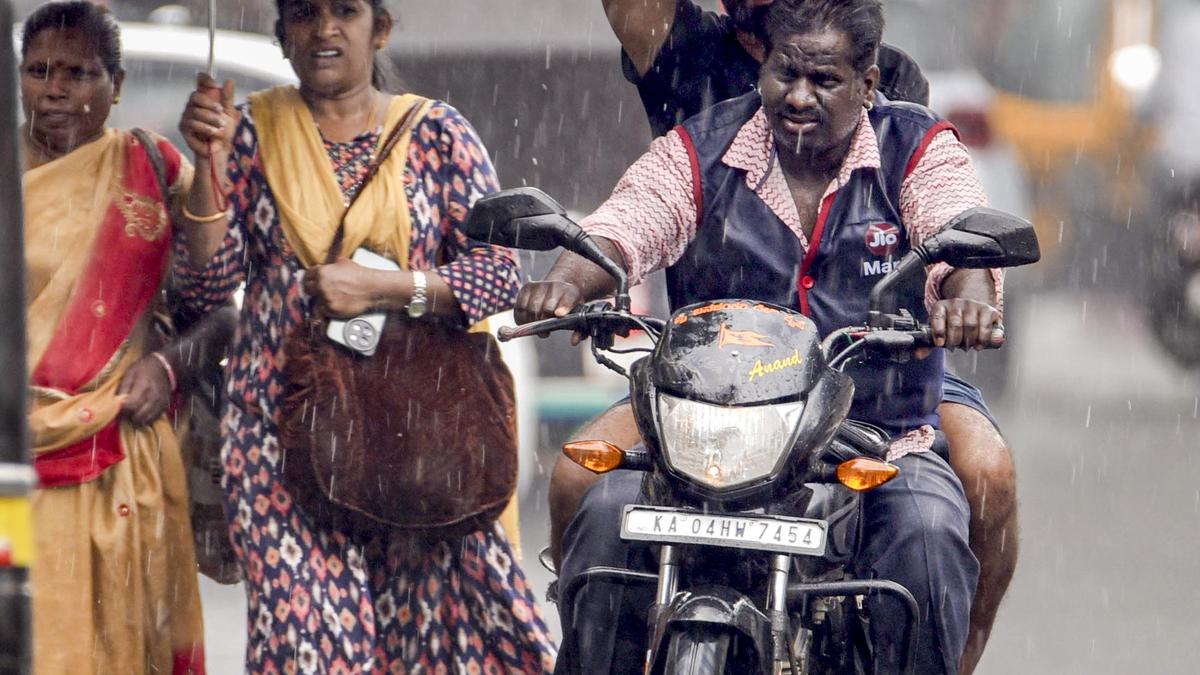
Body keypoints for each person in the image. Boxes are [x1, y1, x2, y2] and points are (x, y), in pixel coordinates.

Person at [518, 0, 1002, 672]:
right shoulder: (702, 145)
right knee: (601, 515)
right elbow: (629, 219)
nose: (799, 97)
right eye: (784, 74)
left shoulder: (917, 145)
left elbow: (959, 229)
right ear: (762, 67)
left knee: (927, 539)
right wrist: (571, 279)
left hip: (869, 426)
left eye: (824, 81)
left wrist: (967, 297)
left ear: (868, 84)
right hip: (706, 423)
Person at [174, 0, 558, 670]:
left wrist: (386, 288)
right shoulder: (251, 134)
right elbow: (207, 288)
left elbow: (498, 277)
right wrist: (206, 165)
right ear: (283, 35)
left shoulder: (439, 135)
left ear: (378, 29)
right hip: (281, 436)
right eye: (302, 13)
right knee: (312, 646)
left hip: (417, 434)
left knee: (436, 643)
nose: (324, 28)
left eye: (344, 11)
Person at [18, 2, 218, 672]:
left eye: (79, 73)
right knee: (26, 641)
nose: (55, 88)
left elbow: (230, 306)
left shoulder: (152, 168)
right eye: (39, 70)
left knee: (125, 648)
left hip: (124, 456)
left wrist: (168, 365)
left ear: (117, 84)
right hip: (13, 465)